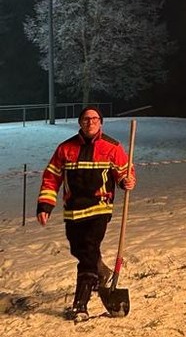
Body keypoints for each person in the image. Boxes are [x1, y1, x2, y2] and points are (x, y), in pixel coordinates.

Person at [37, 106, 136, 322]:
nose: (90, 122)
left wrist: (125, 181)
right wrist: (45, 205)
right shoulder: (65, 149)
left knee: (89, 250)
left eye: (94, 119)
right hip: (73, 211)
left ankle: (80, 304)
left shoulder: (112, 147)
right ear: (80, 122)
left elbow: (125, 172)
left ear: (101, 122)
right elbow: (51, 177)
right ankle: (101, 272)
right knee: (79, 249)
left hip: (100, 208)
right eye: (85, 119)